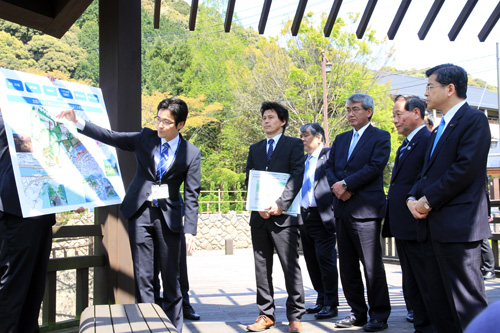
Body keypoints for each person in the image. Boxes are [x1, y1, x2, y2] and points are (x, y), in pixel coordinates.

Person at [57, 98, 201, 332]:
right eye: (158, 119)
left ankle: (174, 328)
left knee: (172, 278)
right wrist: (78, 121)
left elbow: (193, 194)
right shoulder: (145, 138)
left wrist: (190, 230)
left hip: (170, 219)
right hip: (141, 213)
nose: (160, 125)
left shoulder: (192, 153)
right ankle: (149, 326)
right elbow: (112, 136)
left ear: (180, 125)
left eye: (166, 122)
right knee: (144, 277)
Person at [407, 64, 491, 332]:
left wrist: (427, 201)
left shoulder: (474, 120)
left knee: (467, 304)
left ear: (450, 88)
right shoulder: (438, 129)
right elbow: (426, 174)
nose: (426, 92)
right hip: (432, 229)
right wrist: (412, 198)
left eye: (430, 86)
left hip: (459, 228)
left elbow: (464, 169)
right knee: (439, 304)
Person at [0, 75, 84, 333]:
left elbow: (57, 157)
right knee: (12, 289)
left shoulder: (42, 120)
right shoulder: (9, 113)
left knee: (34, 290)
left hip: (42, 213)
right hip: (16, 214)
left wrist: (79, 194)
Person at [326, 93, 391, 332]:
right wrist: (338, 187)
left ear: (369, 111)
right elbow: (330, 167)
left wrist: (347, 185)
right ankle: (357, 313)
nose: (350, 114)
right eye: (348, 109)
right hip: (342, 209)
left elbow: (375, 166)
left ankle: (379, 315)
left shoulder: (381, 137)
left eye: (355, 109)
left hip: (366, 211)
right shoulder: (341, 139)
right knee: (348, 267)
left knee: (372, 266)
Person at [245, 101, 305, 333]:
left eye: (270, 117)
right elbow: (249, 179)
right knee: (261, 266)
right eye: (264, 117)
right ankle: (266, 314)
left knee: (290, 266)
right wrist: (257, 204)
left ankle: (295, 316)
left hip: (284, 216)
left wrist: (280, 204)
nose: (266, 121)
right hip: (259, 216)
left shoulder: (293, 145)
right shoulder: (255, 148)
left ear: (283, 121)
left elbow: (297, 176)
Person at [382, 95, 432, 332]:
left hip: (417, 221)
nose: (395, 120)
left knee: (422, 277)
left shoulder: (427, 140)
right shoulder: (406, 143)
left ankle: (425, 319)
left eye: (398, 114)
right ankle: (416, 314)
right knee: (410, 275)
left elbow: (425, 179)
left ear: (416, 113)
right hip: (402, 222)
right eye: (394, 115)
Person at [298, 123, 339, 320]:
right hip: (304, 215)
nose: (303, 139)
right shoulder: (303, 160)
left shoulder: (330, 156)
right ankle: (321, 299)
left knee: (326, 260)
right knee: (311, 261)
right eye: (301, 136)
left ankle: (331, 303)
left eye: (306, 135)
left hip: (323, 216)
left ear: (319, 138)